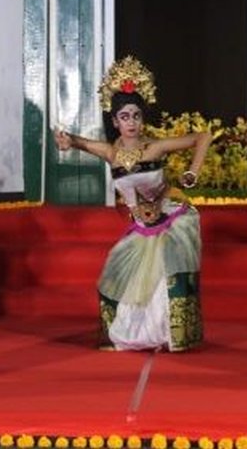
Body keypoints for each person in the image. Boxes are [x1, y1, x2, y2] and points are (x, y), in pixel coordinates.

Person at [53, 55, 211, 352]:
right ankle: (132, 335)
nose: (132, 123)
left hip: (171, 217)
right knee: (116, 268)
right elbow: (75, 141)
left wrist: (193, 171)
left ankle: (170, 334)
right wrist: (65, 140)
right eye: (125, 117)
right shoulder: (110, 153)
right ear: (115, 121)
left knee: (166, 267)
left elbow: (203, 137)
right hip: (140, 224)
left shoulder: (155, 147)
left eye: (136, 116)